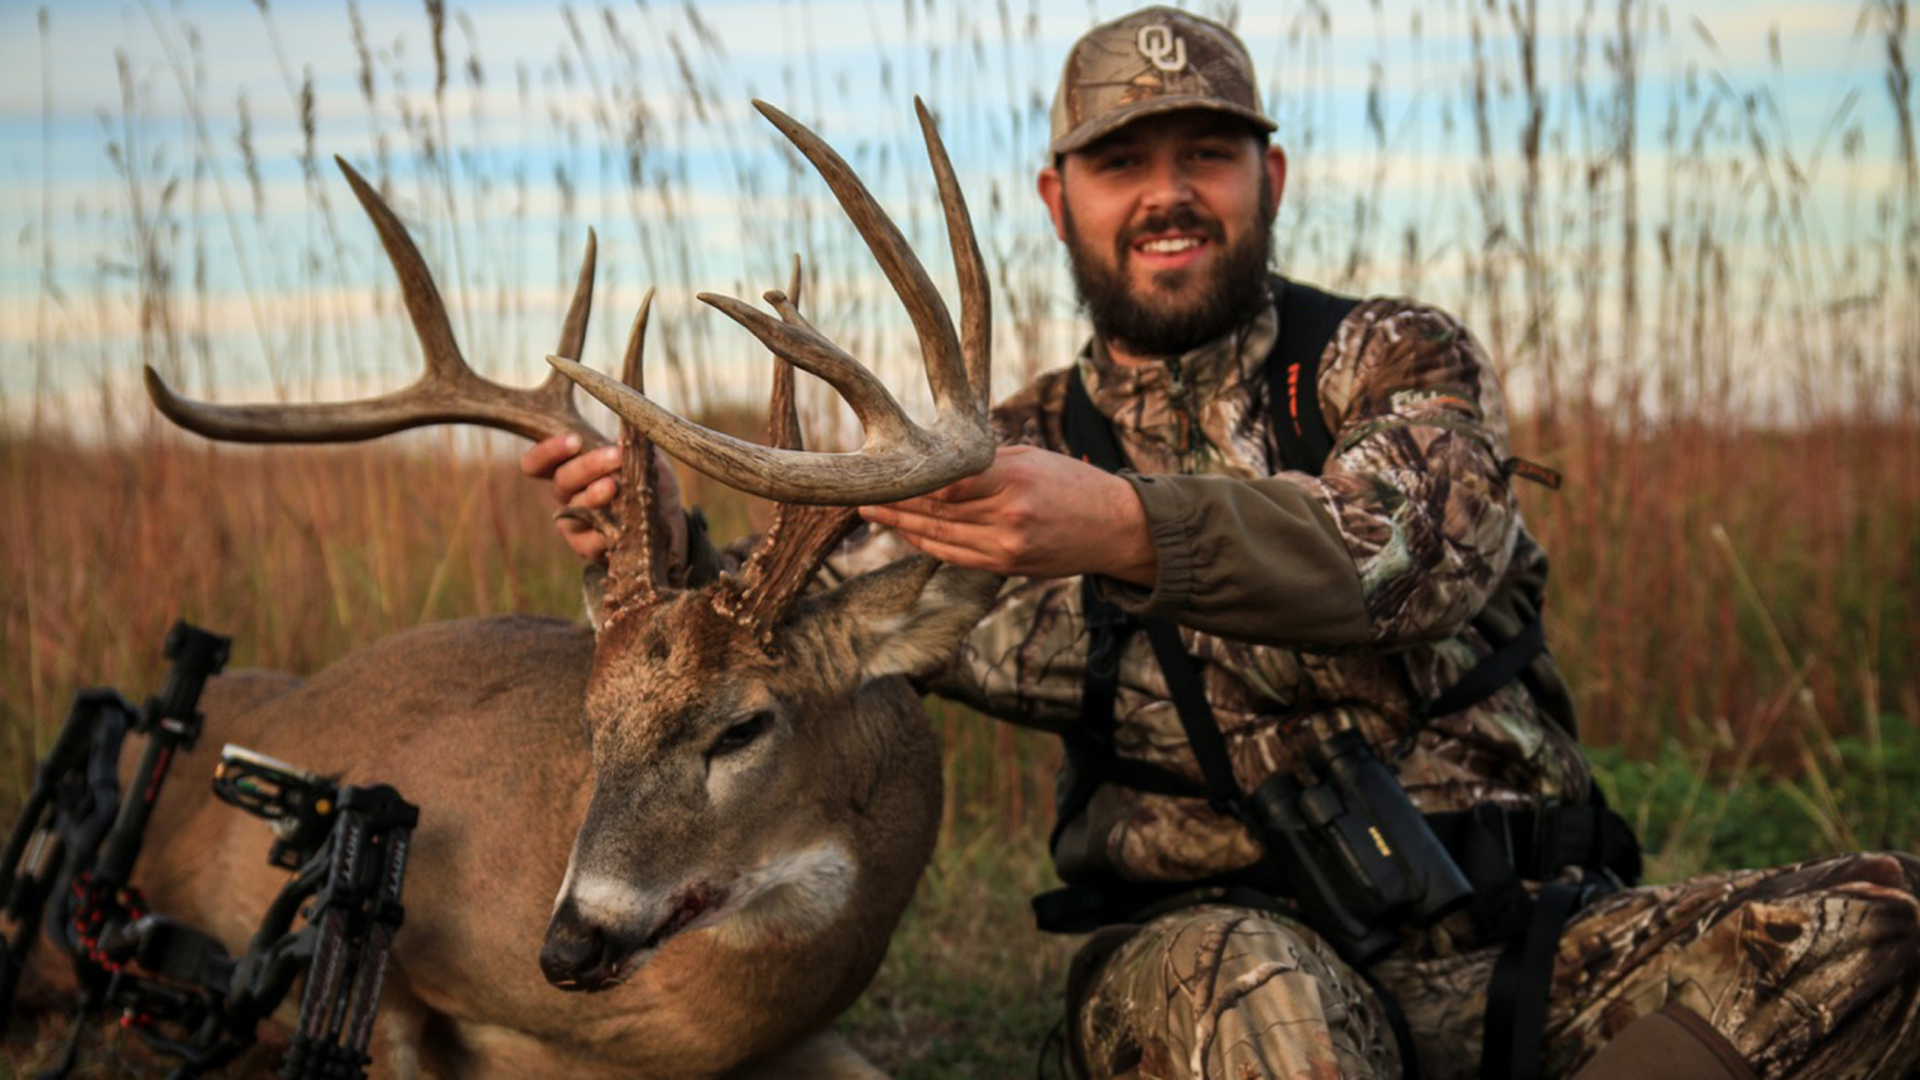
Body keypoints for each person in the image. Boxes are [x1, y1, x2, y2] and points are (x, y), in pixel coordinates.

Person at [523, 8, 1920, 1078]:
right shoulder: (981, 461)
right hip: (1219, 963)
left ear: (1271, 174)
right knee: (1263, 1006)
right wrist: (642, 539)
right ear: (1056, 200)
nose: (1168, 192)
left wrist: (1121, 524)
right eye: (1122, 163)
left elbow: (1410, 553)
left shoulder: (1388, 363)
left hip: (1524, 943)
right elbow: (785, 631)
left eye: (1207, 153)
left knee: (1879, 927)